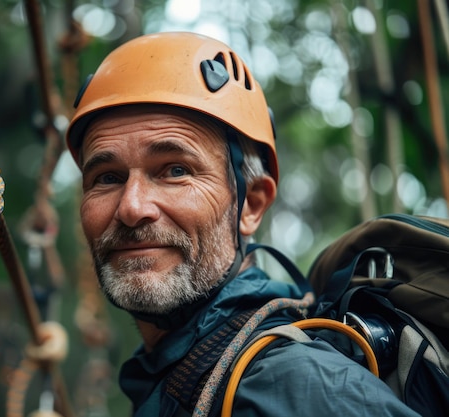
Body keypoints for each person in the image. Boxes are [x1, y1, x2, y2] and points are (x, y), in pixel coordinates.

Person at [65, 32, 419, 416]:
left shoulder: (298, 385)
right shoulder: (180, 372)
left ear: (251, 203)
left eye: (175, 171)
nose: (132, 208)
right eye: (107, 178)